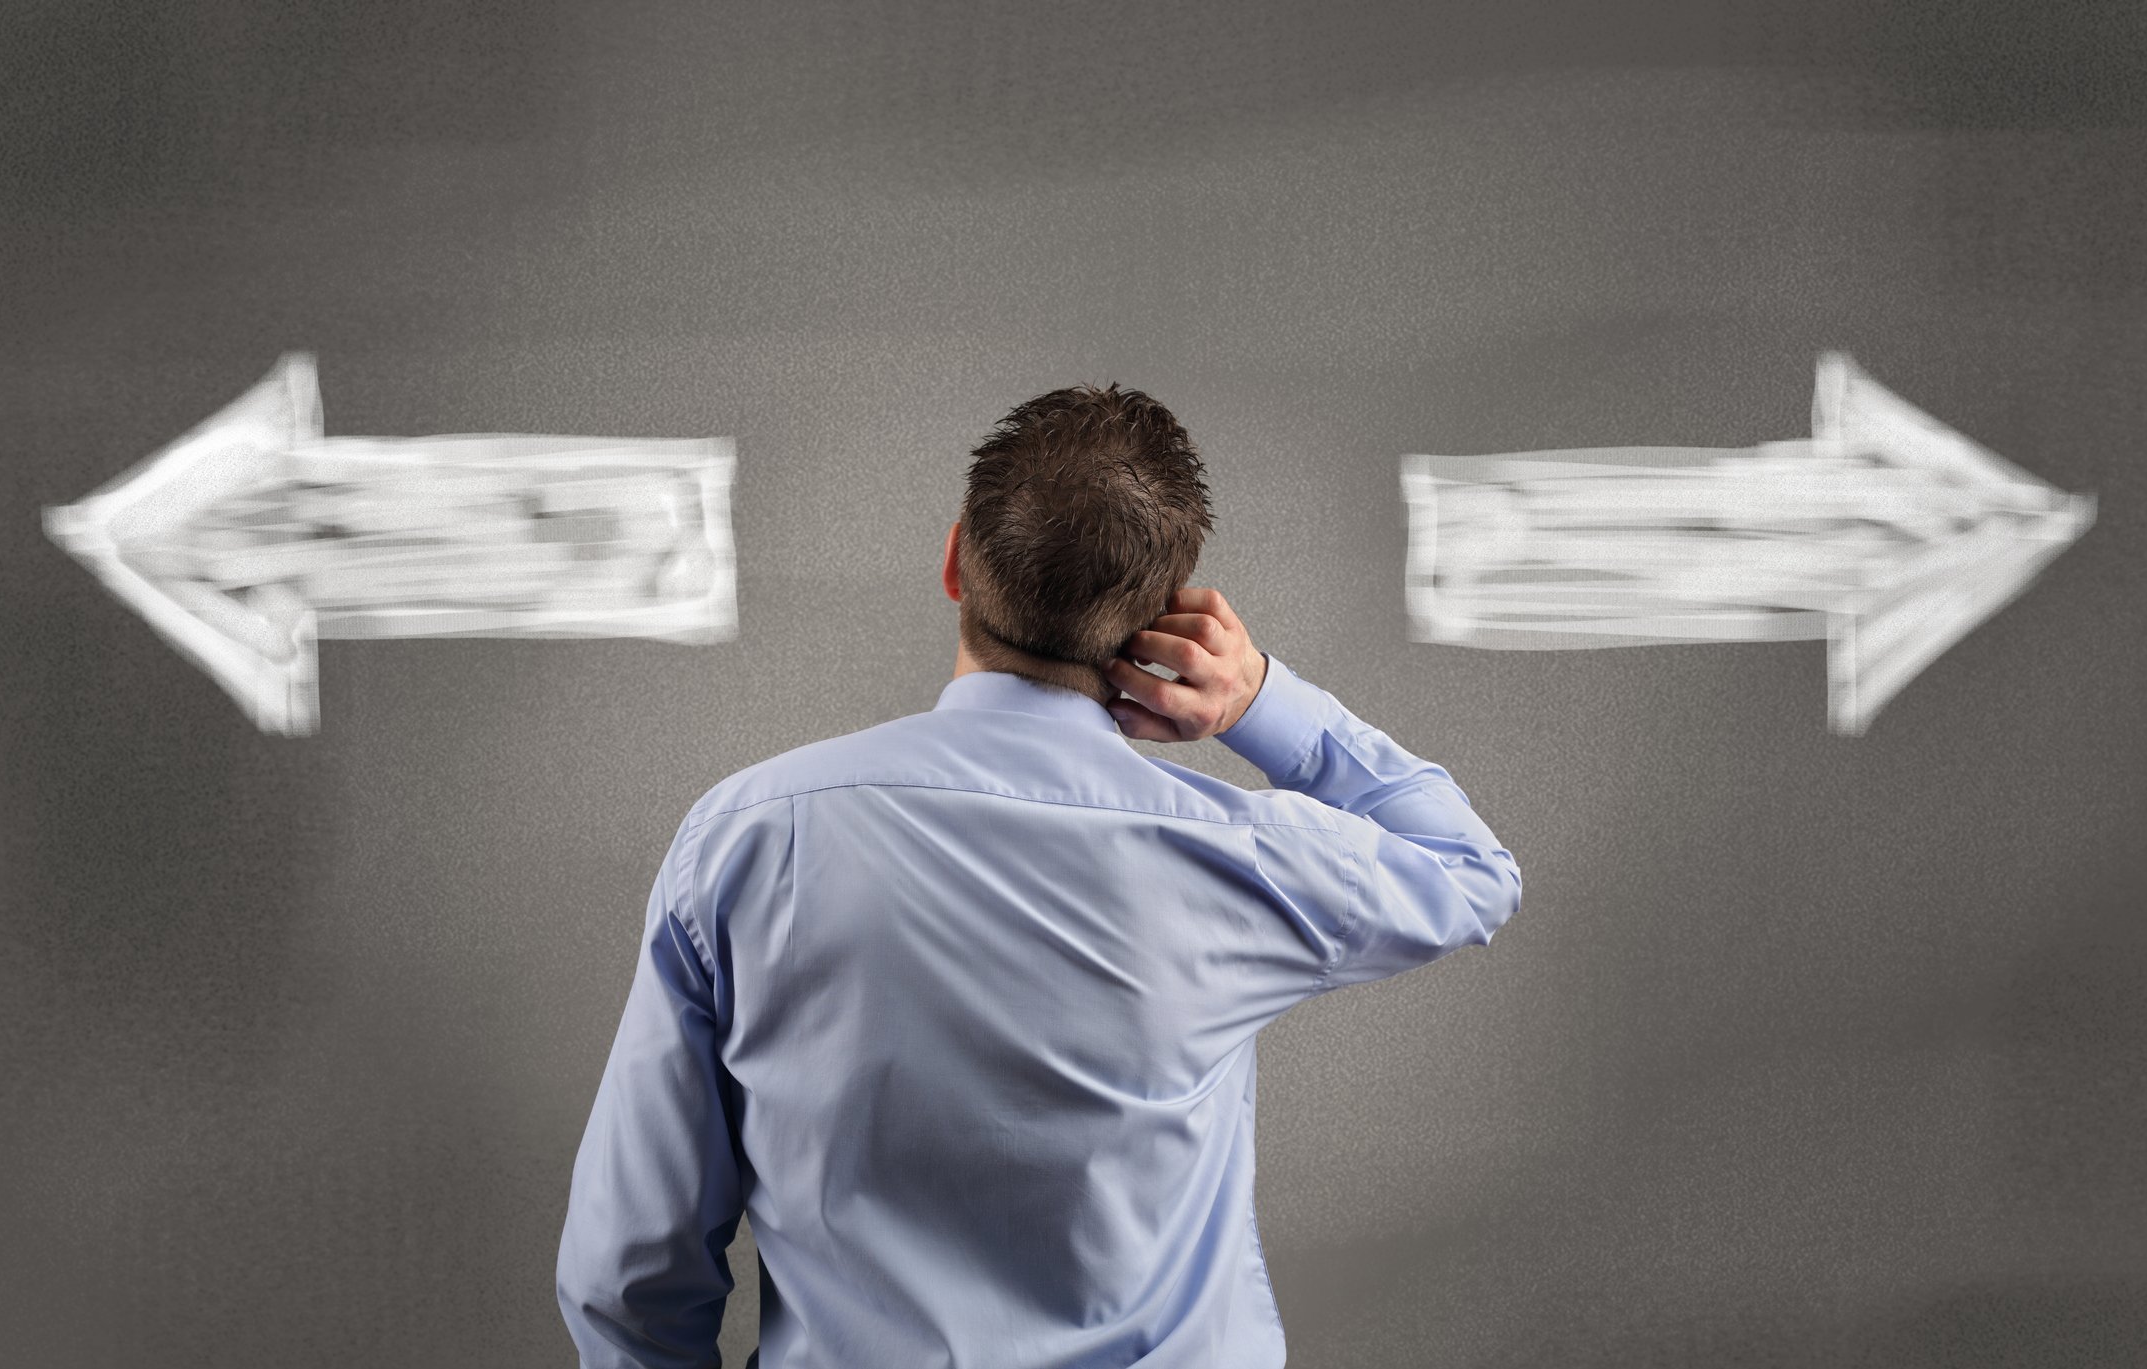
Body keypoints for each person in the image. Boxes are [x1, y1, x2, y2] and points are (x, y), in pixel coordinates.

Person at [554, 383, 1523, 1369]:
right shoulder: (1245, 856)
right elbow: (1471, 869)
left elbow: (631, 1274)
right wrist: (1261, 701)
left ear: (953, 562)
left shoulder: (743, 841)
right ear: (1165, 619)